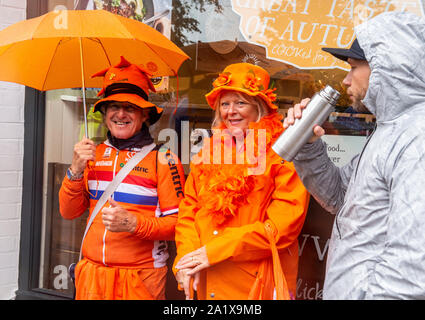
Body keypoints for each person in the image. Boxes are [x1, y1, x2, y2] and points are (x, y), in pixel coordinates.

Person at [284, 11, 425, 299]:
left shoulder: (417, 139)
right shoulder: (389, 130)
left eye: (353, 67)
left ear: (387, 67)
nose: (346, 80)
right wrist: (308, 144)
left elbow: (411, 272)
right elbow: (338, 196)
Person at [173, 62, 310, 300]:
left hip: (253, 287)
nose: (230, 111)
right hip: (205, 281)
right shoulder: (207, 153)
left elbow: (282, 228)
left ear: (260, 108)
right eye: (225, 104)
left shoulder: (283, 153)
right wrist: (185, 261)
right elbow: (188, 212)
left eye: (240, 102)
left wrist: (215, 250)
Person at [59, 56, 185, 300]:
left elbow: (178, 225)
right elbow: (68, 212)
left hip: (140, 277)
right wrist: (75, 170)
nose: (121, 114)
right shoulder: (91, 154)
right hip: (92, 276)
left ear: (145, 115)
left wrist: (132, 224)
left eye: (130, 107)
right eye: (114, 106)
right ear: (104, 113)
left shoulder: (164, 159)